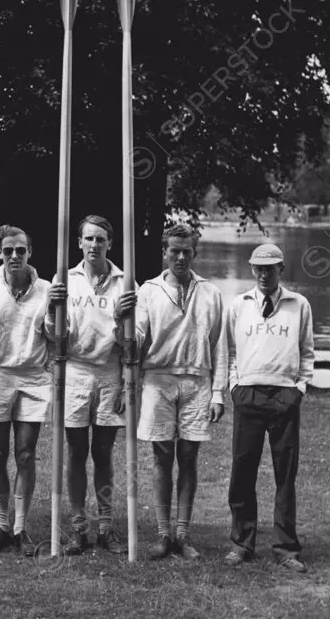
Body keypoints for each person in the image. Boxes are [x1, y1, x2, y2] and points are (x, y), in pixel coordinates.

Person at [0, 224, 65, 556]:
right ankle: (1, 525)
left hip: (33, 377)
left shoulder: (48, 289)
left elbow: (57, 336)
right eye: (8, 251)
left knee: (25, 454)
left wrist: (55, 309)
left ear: (30, 252)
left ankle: (20, 528)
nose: (15, 256)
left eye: (21, 250)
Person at [135, 223, 228, 560]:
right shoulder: (148, 290)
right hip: (158, 380)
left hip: (197, 381)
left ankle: (183, 533)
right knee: (162, 456)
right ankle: (163, 533)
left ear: (195, 253)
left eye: (187, 251)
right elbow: (136, 338)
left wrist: (218, 392)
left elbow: (220, 346)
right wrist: (125, 324)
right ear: (165, 251)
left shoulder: (211, 293)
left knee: (189, 458)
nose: (180, 256)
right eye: (174, 250)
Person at [47, 215, 137, 555]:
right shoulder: (65, 279)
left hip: (110, 372)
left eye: (101, 239)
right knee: (75, 452)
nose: (94, 245)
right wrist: (52, 309)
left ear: (110, 244)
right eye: (89, 239)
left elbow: (134, 341)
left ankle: (106, 527)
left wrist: (119, 322)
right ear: (80, 243)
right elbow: (52, 334)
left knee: (103, 452)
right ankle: (78, 527)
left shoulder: (124, 282)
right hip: (76, 373)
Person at [224, 243, 313, 573]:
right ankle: (241, 543)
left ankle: (286, 548)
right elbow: (230, 352)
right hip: (247, 395)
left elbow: (307, 351)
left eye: (271, 268)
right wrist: (235, 386)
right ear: (251, 270)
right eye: (259, 268)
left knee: (285, 476)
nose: (264, 274)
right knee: (242, 472)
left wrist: (299, 388)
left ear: (281, 270)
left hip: (285, 397)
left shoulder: (298, 305)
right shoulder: (239, 305)